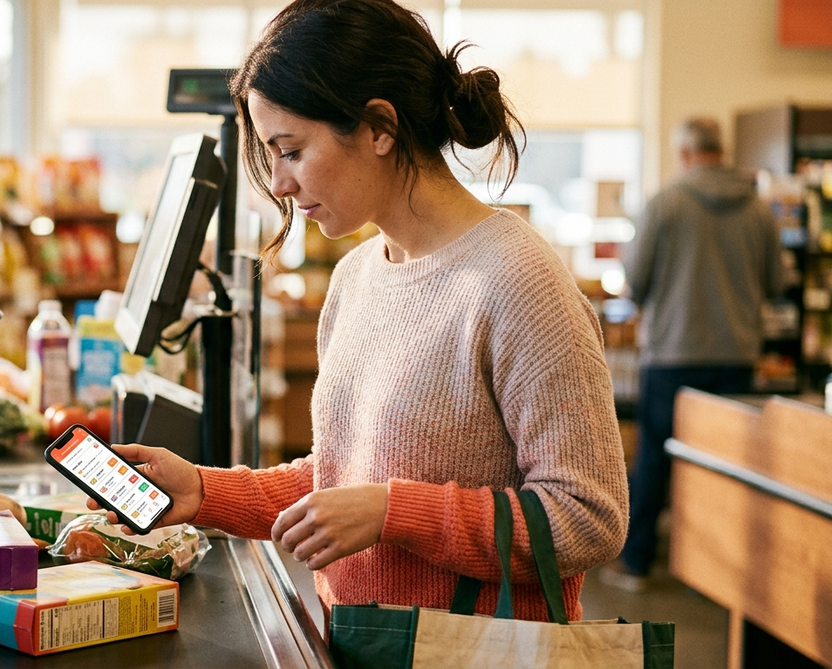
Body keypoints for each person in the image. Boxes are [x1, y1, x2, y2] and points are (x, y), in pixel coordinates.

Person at [93, 0, 629, 622]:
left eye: (291, 150)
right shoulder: (356, 277)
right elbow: (345, 481)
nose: (280, 184)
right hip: (358, 641)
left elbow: (589, 518)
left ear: (379, 126)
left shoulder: (519, 284)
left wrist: (392, 512)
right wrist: (206, 490)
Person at [604, 117, 783, 591]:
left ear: (684, 153)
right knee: (726, 465)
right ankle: (722, 575)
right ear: (722, 150)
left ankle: (637, 563)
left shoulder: (665, 203)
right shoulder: (759, 210)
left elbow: (635, 280)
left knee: (656, 458)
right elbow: (776, 282)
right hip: (737, 355)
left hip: (673, 354)